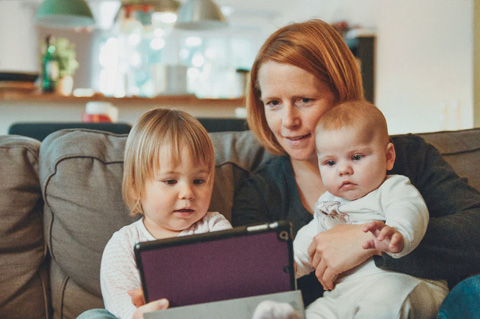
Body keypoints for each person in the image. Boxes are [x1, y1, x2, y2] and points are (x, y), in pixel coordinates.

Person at [231, 18, 480, 313]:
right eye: (273, 103)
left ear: (341, 94)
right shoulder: (260, 193)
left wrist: (367, 241)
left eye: (304, 100)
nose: (288, 121)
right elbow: (254, 285)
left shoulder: (407, 157)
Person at [293, 100, 448, 318]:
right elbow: (310, 239)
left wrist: (398, 233)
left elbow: (409, 210)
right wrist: (290, 264)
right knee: (318, 311)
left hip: (404, 282)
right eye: (330, 163)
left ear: (388, 157)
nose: (344, 170)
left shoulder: (392, 188)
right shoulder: (327, 204)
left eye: (356, 157)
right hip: (345, 294)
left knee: (385, 300)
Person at [78, 108, 232, 319]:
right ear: (135, 187)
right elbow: (122, 308)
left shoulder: (214, 227)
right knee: (93, 317)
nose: (187, 193)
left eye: (199, 181)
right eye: (170, 181)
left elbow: (230, 288)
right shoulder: (123, 244)